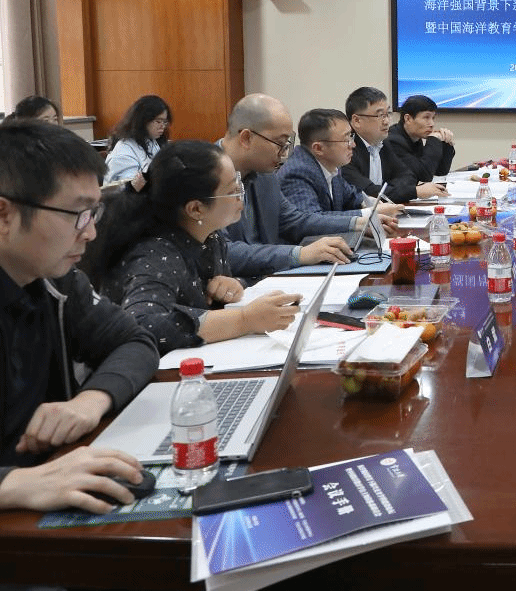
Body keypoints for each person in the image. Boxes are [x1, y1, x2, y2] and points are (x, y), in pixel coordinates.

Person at [0, 121, 159, 514]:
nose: (89, 234)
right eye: (76, 214)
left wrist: (91, 400)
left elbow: (135, 342)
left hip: (54, 484)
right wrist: (12, 483)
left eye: (93, 213)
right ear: (4, 214)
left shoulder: (57, 282)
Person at [83, 140, 302, 355]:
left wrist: (233, 286)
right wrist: (244, 319)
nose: (240, 195)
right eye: (232, 190)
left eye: (238, 183)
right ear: (196, 209)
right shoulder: (155, 253)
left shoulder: (210, 236)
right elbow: (142, 323)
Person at [217, 94, 356, 279]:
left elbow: (294, 221)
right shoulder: (203, 175)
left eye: (287, 144)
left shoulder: (265, 174)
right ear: (246, 138)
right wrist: (299, 254)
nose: (284, 154)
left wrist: (357, 223)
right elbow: (222, 251)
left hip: (269, 279)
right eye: (280, 143)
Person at [279, 108, 404, 224]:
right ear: (318, 148)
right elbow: (311, 220)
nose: (353, 145)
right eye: (346, 139)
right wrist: (369, 213)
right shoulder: (297, 173)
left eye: (351, 136)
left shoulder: (332, 167)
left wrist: (372, 203)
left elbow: (352, 197)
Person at [342, 87, 445, 203]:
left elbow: (408, 177)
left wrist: (390, 191)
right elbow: (368, 192)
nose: (386, 121)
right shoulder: (345, 150)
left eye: (388, 114)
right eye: (380, 115)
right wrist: (413, 192)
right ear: (357, 121)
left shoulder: (383, 143)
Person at [385, 94, 457, 184]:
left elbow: (440, 171)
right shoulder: (393, 141)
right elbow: (424, 175)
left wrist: (446, 143)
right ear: (408, 119)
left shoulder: (415, 138)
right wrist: (433, 140)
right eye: (426, 117)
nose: (432, 124)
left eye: (433, 118)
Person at [103, 94, 172, 184]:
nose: (162, 126)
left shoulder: (151, 141)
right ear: (142, 120)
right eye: (158, 121)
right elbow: (130, 188)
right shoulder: (124, 152)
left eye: (165, 122)